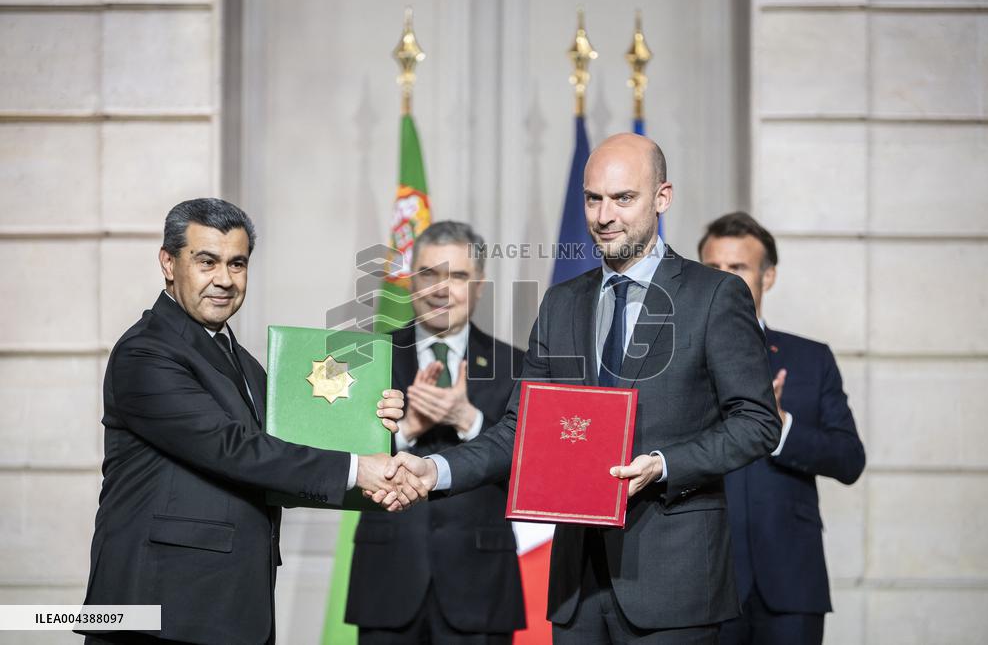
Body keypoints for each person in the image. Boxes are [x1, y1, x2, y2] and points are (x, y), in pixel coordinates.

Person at [381, 134, 783, 644]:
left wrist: (663, 464)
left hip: (674, 583)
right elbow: (519, 429)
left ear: (662, 197)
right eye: (593, 199)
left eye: (623, 198)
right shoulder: (562, 303)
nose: (604, 215)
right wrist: (434, 469)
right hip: (577, 587)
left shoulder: (715, 296)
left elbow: (757, 422)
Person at [78, 198, 423, 645]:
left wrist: (375, 431)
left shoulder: (245, 364)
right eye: (207, 262)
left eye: (237, 264)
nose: (224, 279)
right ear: (168, 262)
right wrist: (360, 468)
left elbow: (282, 463)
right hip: (159, 613)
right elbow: (234, 450)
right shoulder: (146, 352)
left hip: (230, 611)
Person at [346, 221, 526, 643]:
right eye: (428, 273)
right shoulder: (368, 358)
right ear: (410, 282)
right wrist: (410, 427)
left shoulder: (518, 365)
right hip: (387, 579)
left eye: (458, 276)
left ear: (479, 285)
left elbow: (534, 465)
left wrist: (468, 420)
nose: (441, 289)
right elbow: (341, 461)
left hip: (481, 583)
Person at [698, 211, 866, 645]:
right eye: (713, 268)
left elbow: (849, 460)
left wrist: (781, 427)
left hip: (792, 583)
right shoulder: (676, 359)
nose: (723, 279)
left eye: (737, 268)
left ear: (767, 276)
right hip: (703, 582)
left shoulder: (811, 359)